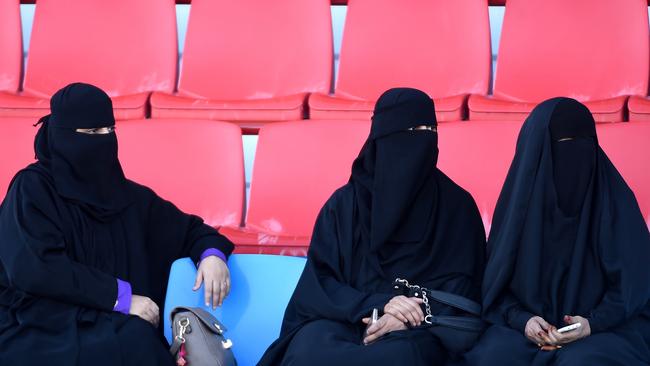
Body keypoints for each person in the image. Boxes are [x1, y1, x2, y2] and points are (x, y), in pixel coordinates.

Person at [0, 83, 234, 366]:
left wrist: (211, 256)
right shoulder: (32, 189)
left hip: (107, 325)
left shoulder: (127, 197)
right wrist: (118, 297)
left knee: (136, 340)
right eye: (91, 133)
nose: (103, 141)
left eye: (108, 131)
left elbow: (190, 231)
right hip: (38, 324)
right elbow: (36, 268)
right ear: (62, 137)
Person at [258, 88, 486, 366]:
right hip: (347, 317)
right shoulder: (345, 206)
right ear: (382, 137)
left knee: (400, 356)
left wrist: (407, 315)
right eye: (411, 130)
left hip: (421, 328)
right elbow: (321, 281)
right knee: (308, 348)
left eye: (429, 129)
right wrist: (376, 304)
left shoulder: (456, 207)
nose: (422, 140)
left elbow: (464, 285)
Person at [463, 97, 650, 366]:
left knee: (584, 361)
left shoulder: (614, 203)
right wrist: (523, 320)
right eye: (561, 147)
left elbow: (633, 287)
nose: (575, 156)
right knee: (495, 357)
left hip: (605, 329)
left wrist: (592, 324)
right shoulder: (518, 211)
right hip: (524, 329)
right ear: (536, 156)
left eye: (584, 143)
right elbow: (495, 288)